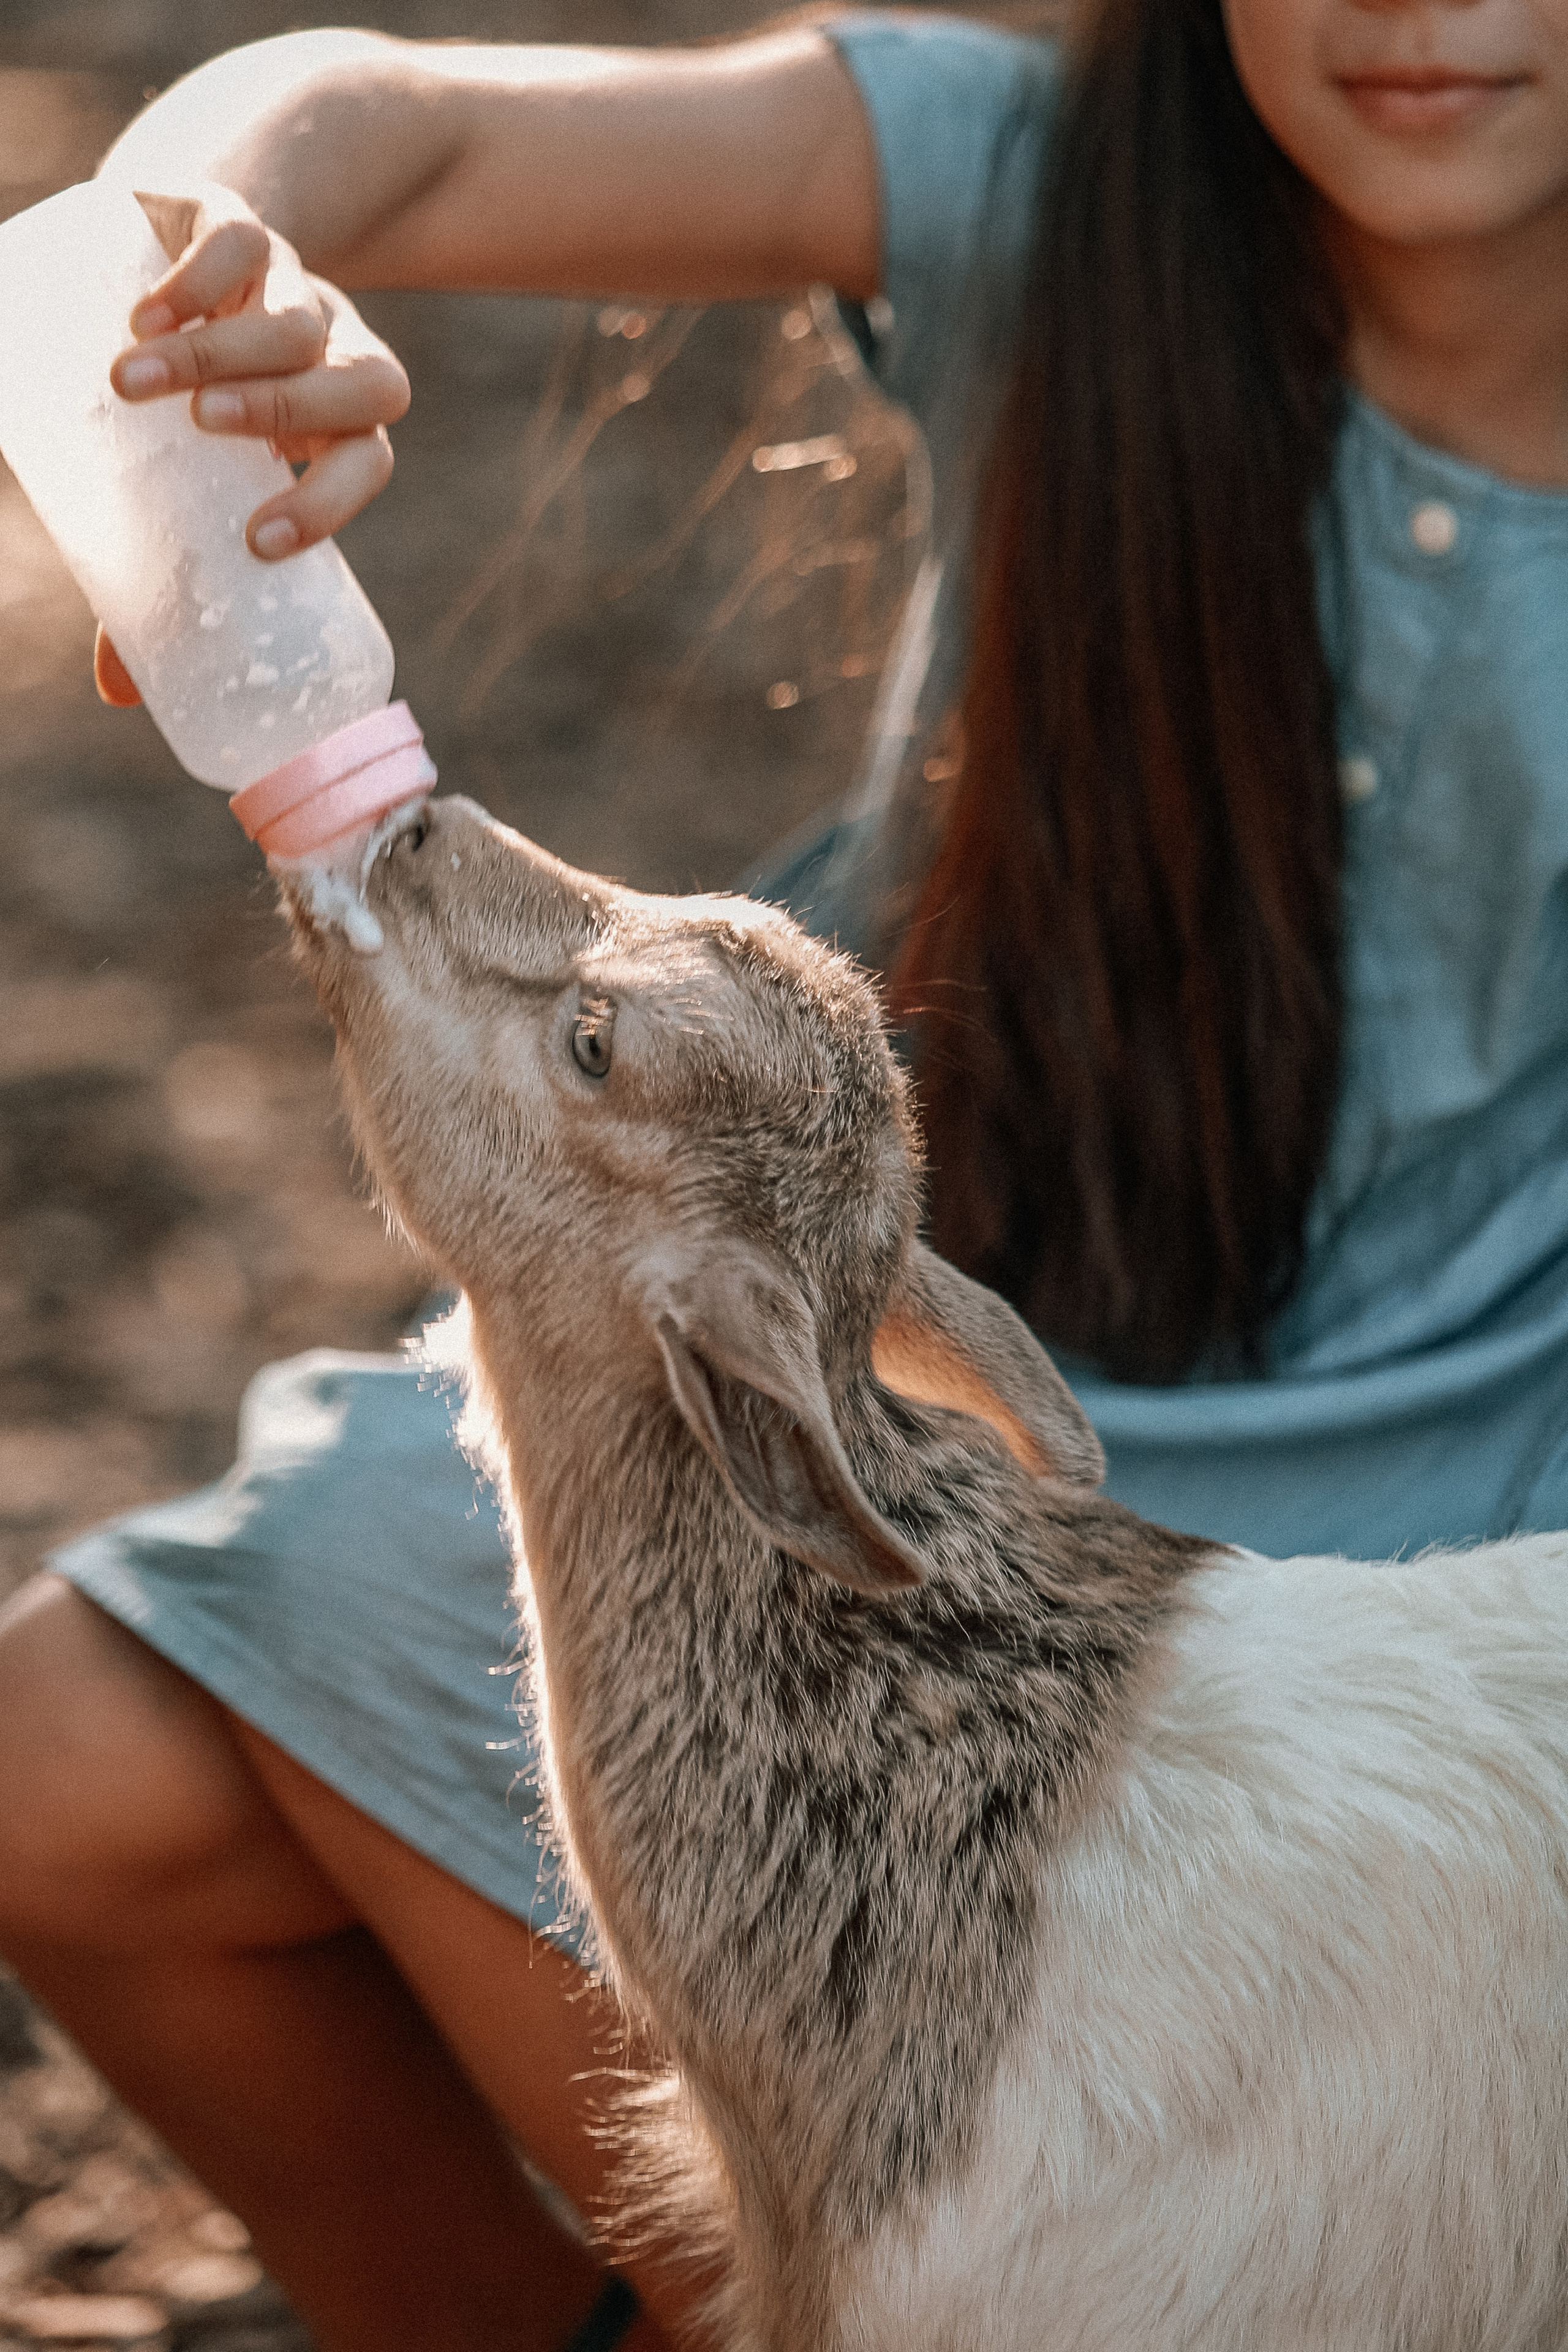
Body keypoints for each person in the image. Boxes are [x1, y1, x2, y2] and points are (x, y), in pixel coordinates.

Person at [3, 1, 1567, 2345]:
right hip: (829, 1354)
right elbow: (394, 131)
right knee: (69, 1781)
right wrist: (218, 247)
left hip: (1392, 1535)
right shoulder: (1041, 183)